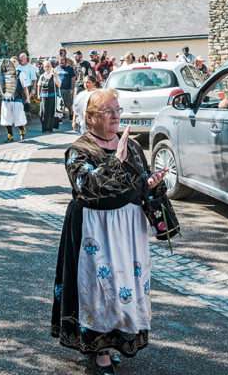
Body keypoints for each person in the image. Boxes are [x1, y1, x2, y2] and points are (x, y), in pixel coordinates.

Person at [52, 89, 168, 375]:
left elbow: (139, 180)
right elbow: (88, 187)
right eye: (108, 111)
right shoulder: (79, 150)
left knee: (123, 287)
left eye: (117, 109)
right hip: (95, 231)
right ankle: (99, 350)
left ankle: (117, 338)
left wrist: (151, 183)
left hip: (127, 231)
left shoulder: (131, 146)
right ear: (91, 118)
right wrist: (116, 161)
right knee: (98, 291)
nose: (117, 115)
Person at [0, 58, 29, 141]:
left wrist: (28, 99)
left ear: (17, 63)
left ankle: (22, 131)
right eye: (11, 62)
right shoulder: (4, 74)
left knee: (19, 118)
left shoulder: (21, 74)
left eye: (14, 61)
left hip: (17, 98)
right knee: (6, 119)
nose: (12, 63)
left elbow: (25, 88)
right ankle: (10, 135)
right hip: (6, 99)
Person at [38, 60, 61, 133]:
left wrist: (56, 76)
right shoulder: (42, 76)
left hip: (52, 97)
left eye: (49, 66)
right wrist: (38, 94)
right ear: (44, 68)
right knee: (43, 113)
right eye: (46, 66)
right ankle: (44, 127)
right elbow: (39, 85)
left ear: (51, 67)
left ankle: (49, 128)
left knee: (50, 112)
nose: (47, 68)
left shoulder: (53, 75)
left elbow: (59, 85)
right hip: (43, 97)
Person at [18, 52, 39, 119]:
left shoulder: (31, 67)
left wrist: (33, 89)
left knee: (27, 102)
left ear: (26, 58)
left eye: (22, 58)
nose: (21, 60)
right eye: (20, 59)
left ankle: (27, 115)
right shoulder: (18, 67)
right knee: (20, 103)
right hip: (19, 88)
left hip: (28, 87)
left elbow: (34, 80)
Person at [56, 56, 76, 122]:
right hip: (59, 90)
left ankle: (71, 116)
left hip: (67, 89)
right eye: (60, 60)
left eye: (63, 60)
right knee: (60, 104)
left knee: (69, 105)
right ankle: (60, 118)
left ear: (65, 61)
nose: (61, 61)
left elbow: (73, 79)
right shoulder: (56, 69)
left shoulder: (70, 68)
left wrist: (72, 89)